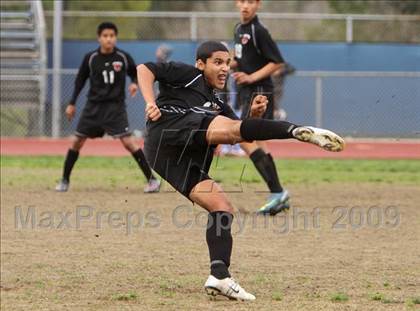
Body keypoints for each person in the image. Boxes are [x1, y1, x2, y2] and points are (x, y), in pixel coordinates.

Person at [137, 41, 344, 301]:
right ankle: (296, 131)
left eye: (228, 63)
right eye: (218, 62)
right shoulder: (189, 75)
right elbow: (144, 69)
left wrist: (253, 115)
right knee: (232, 131)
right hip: (170, 128)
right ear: (201, 64)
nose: (225, 68)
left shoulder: (216, 104)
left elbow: (240, 127)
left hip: (167, 159)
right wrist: (148, 102)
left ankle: (220, 276)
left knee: (222, 208)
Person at [55, 22, 160, 193]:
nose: (109, 39)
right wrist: (72, 103)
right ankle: (64, 180)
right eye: (105, 36)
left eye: (112, 36)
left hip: (115, 108)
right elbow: (80, 80)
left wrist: (134, 83)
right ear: (99, 38)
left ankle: (152, 180)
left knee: (128, 142)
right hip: (93, 108)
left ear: (115, 38)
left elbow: (136, 73)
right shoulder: (91, 58)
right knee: (76, 142)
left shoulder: (123, 57)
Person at [231, 0, 290, 215]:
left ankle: (277, 191)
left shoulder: (259, 31)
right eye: (243, 1)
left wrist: (251, 77)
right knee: (259, 143)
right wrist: (222, 63)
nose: (246, 6)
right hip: (247, 91)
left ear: (258, 5)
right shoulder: (239, 29)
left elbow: (276, 62)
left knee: (244, 139)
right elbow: (240, 59)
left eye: (251, 1)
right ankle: (277, 194)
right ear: (237, 4)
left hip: (260, 91)